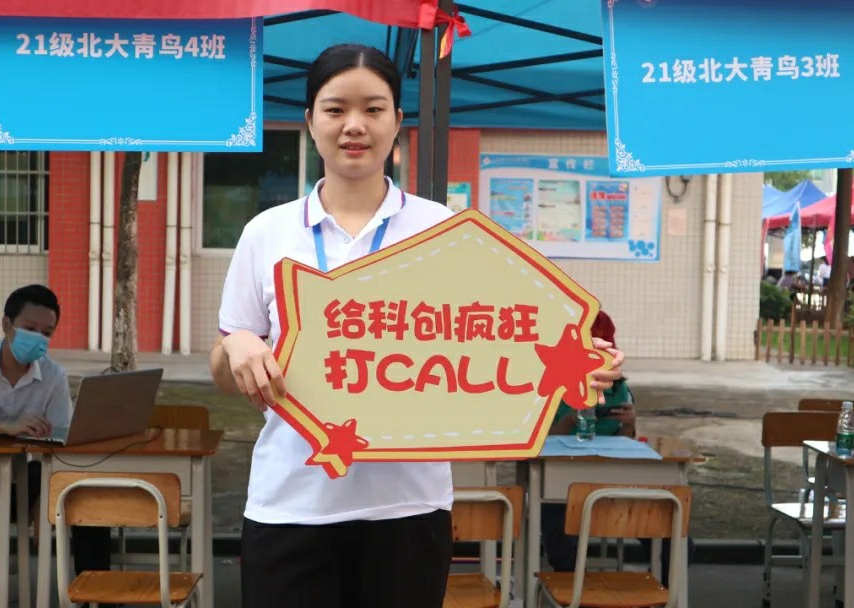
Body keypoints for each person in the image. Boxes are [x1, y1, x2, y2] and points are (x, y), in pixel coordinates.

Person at [209, 44, 626, 608]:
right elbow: (225, 372)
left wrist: (580, 364)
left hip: (408, 509)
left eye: (373, 109)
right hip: (289, 505)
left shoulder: (445, 230)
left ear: (397, 121)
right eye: (335, 109)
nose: (354, 125)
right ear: (309, 120)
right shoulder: (267, 232)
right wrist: (237, 343)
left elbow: (500, 337)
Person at [0, 285, 112, 584]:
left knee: (88, 503)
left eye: (46, 333)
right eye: (30, 329)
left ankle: (96, 598)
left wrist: (47, 497)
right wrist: (8, 426)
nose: (38, 338)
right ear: (6, 324)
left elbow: (63, 446)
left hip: (30, 478)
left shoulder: (53, 376)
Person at [540, 311, 692, 586]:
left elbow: (627, 441)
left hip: (615, 482)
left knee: (679, 541)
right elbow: (536, 443)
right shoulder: (550, 385)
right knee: (561, 542)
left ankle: (661, 594)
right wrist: (569, 421)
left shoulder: (619, 388)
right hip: (561, 486)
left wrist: (629, 423)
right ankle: (573, 593)